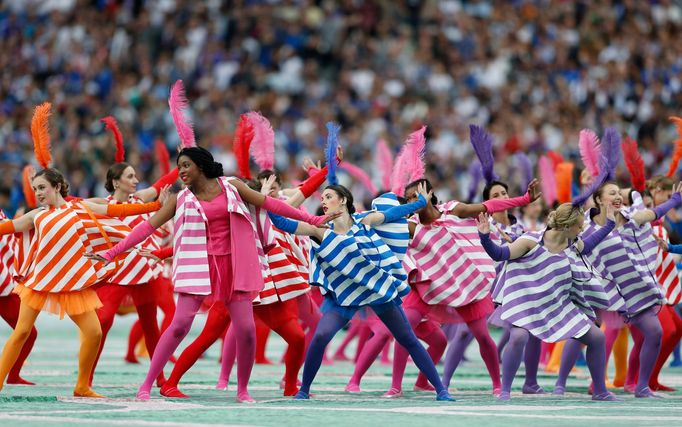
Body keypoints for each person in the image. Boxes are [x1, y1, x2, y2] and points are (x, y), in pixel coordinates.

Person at [86, 146, 333, 401]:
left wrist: (314, 221)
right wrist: (111, 253)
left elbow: (271, 204)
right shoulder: (180, 198)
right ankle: (147, 385)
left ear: (201, 165)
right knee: (179, 325)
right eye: (179, 166)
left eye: (185, 165)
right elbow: (147, 228)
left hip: (236, 268)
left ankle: (242, 390)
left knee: (246, 330)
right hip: (200, 269)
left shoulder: (232, 186)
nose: (181, 171)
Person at [268, 182, 454, 401]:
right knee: (320, 337)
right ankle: (304, 390)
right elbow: (281, 223)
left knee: (407, 339)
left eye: (328, 197)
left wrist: (422, 202)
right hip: (344, 295)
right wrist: (264, 200)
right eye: (323, 199)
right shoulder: (319, 229)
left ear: (344, 200)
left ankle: (441, 390)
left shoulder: (364, 220)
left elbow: (395, 212)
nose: (324, 202)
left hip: (376, 288)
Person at [0, 168, 164, 397]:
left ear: (57, 187)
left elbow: (118, 210)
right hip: (39, 282)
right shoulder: (36, 215)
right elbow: (8, 227)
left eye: (42, 187)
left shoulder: (80, 208)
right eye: (35, 188)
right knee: (21, 332)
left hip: (72, 282)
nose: (37, 193)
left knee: (94, 332)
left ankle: (82, 386)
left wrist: (155, 207)